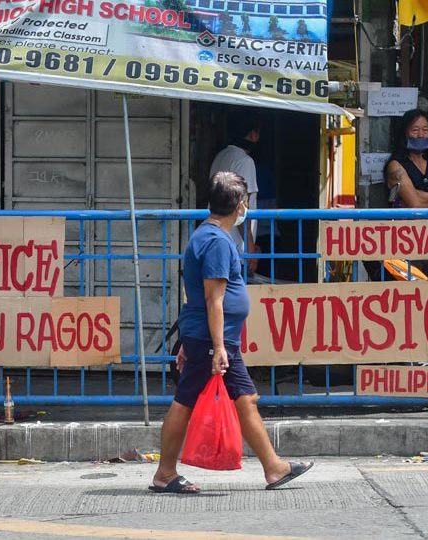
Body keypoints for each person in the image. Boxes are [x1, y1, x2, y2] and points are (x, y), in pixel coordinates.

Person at [150, 172, 312, 494]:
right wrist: (218, 346)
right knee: (185, 401)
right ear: (240, 205)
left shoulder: (207, 235)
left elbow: (196, 296)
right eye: (245, 203)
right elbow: (214, 299)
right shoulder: (217, 242)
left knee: (244, 398)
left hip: (207, 338)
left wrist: (191, 341)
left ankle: (274, 468)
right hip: (214, 340)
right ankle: (165, 473)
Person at [209, 111, 261, 272]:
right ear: (253, 134)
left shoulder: (221, 156)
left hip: (217, 240)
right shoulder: (245, 161)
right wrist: (250, 249)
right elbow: (241, 206)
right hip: (236, 249)